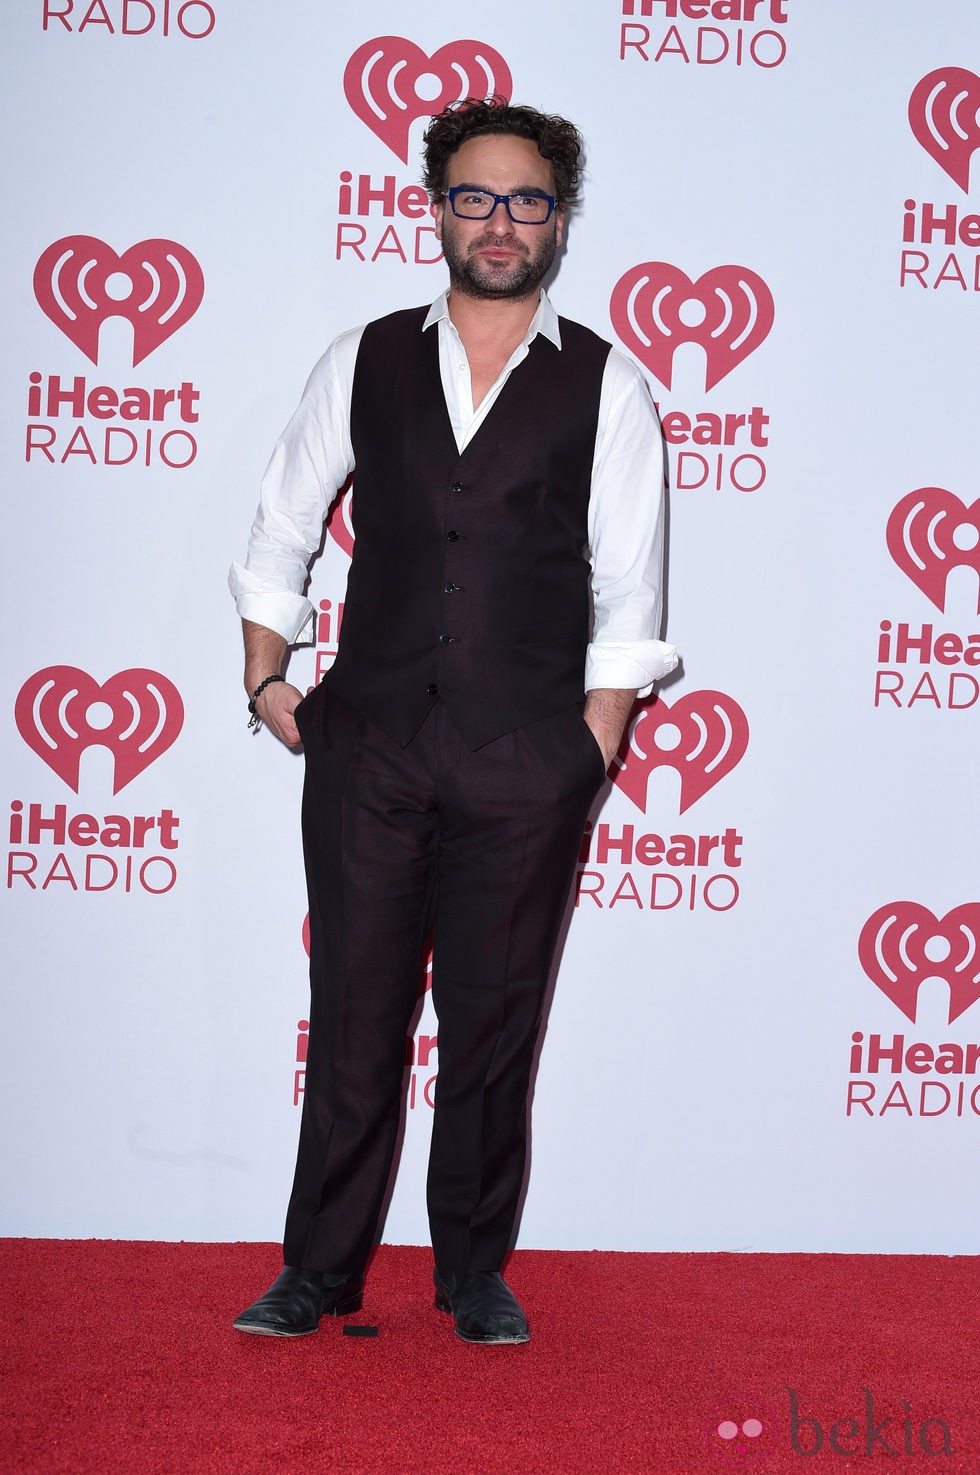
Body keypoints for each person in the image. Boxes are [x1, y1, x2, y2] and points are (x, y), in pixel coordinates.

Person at [228, 98, 677, 1345]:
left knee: (490, 1024)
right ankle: (316, 1270)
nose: (498, 220)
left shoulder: (606, 385)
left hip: (523, 762)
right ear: (434, 208)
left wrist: (584, 750)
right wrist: (270, 679)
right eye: (474, 196)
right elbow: (281, 528)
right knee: (355, 1017)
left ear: (559, 220)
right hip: (363, 749)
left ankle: (470, 1270)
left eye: (525, 199)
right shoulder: (361, 356)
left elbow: (627, 590)